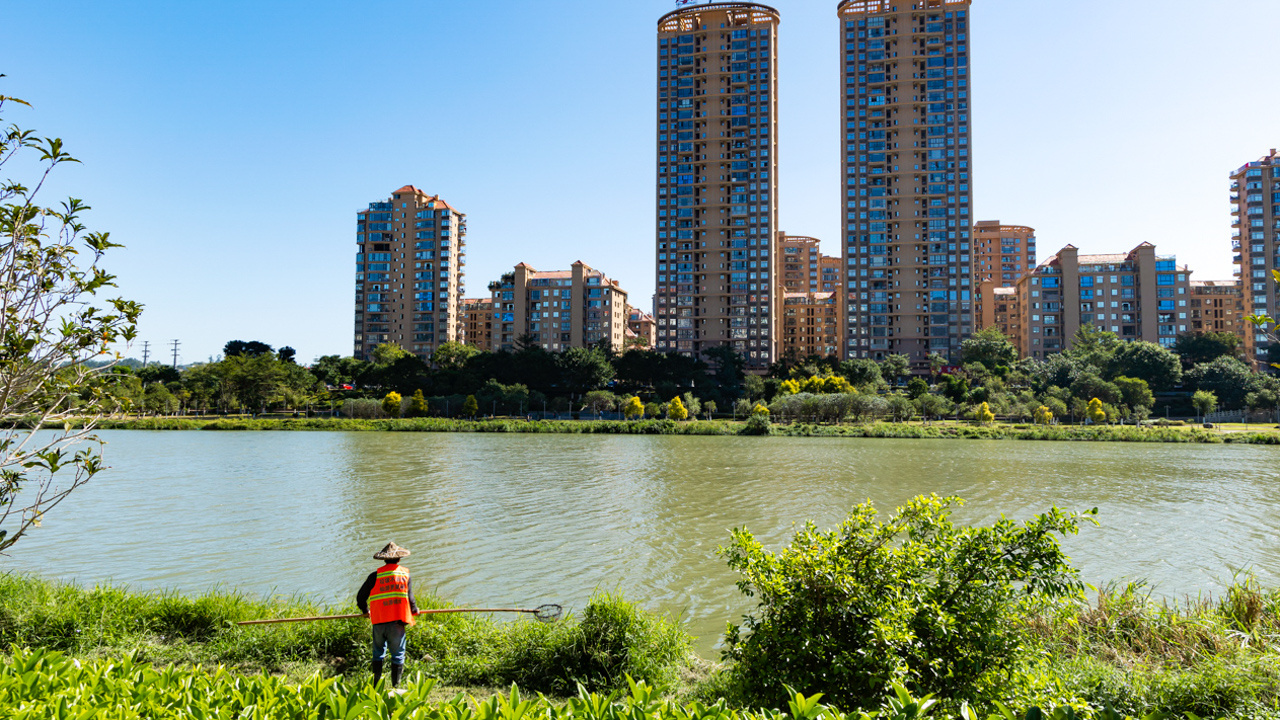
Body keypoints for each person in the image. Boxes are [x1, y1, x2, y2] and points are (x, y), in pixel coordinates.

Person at [356, 542, 419, 688]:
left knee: (378, 653)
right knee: (397, 654)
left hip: (378, 621)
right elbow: (410, 598)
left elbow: (360, 597)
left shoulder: (375, 575)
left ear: (384, 559)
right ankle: (395, 687)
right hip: (397, 622)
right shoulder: (404, 574)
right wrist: (415, 610)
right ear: (399, 559)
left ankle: (376, 686)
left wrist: (365, 611)